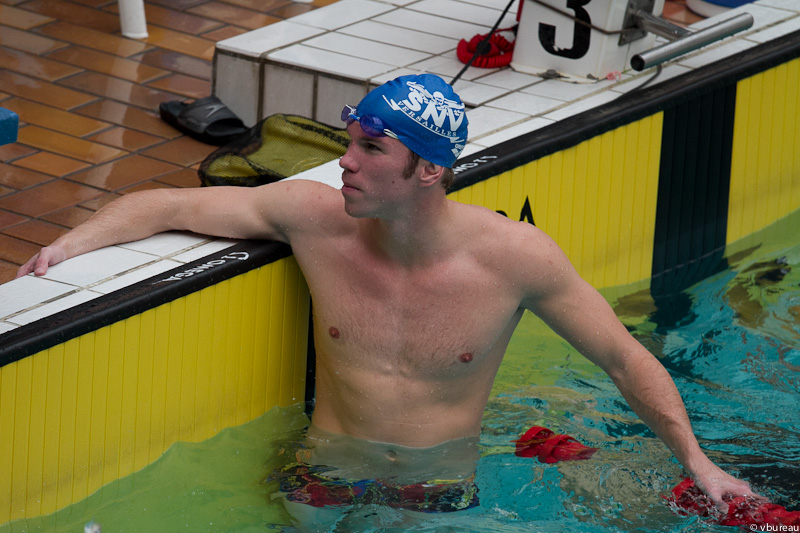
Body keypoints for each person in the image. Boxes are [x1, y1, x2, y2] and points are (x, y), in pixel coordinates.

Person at [18, 74, 757, 517]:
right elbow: (165, 204)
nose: (344, 163)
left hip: (435, 497)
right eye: (350, 143)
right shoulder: (313, 218)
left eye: (371, 148)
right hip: (319, 479)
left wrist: (698, 462)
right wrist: (65, 249)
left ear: (428, 169)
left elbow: (626, 359)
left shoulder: (514, 257)